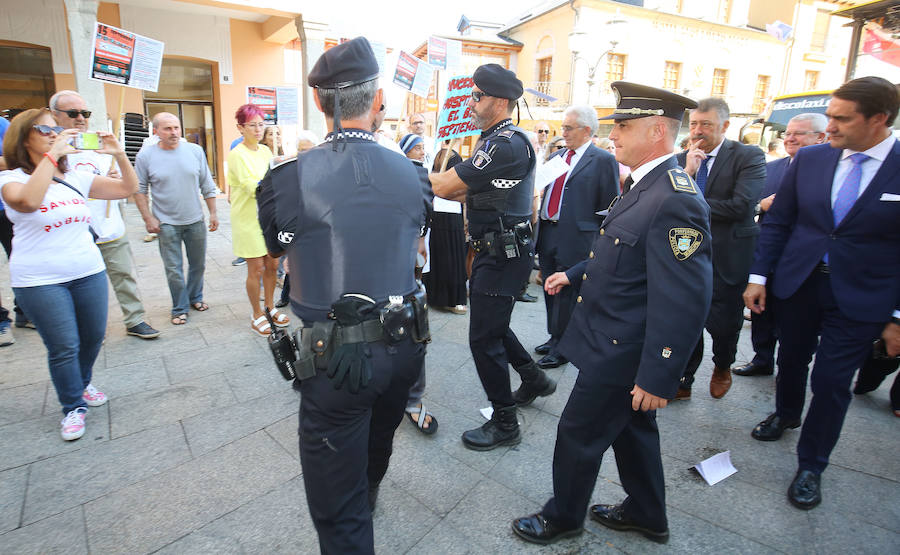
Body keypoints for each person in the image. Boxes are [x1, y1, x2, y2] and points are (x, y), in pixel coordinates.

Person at [511, 82, 712, 546]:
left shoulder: (675, 197)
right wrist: (576, 273)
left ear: (658, 130)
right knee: (632, 430)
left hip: (627, 349)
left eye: (623, 125)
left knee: (579, 433)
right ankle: (647, 513)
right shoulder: (646, 182)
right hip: (614, 335)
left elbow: (684, 297)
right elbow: (623, 250)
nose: (613, 133)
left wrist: (659, 376)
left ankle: (562, 518)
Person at [256, 37, 431, 553]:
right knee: (379, 441)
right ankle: (369, 491)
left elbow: (275, 251)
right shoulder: (414, 172)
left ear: (319, 102)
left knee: (339, 516)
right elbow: (412, 234)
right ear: (378, 100)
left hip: (334, 361)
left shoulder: (287, 179)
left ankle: (358, 504)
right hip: (404, 347)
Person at [743, 76, 900, 510]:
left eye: (840, 119)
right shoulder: (811, 159)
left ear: (879, 119)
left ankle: (811, 464)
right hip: (799, 283)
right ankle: (786, 413)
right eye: (828, 116)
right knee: (791, 359)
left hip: (864, 296)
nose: (829, 127)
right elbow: (779, 222)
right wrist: (759, 277)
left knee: (831, 381)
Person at [429, 63, 555, 450]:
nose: (471, 102)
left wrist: (403, 172)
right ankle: (534, 378)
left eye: (477, 96)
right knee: (493, 327)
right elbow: (469, 193)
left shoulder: (505, 143)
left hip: (503, 254)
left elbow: (448, 186)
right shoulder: (495, 139)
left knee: (483, 339)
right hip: (495, 251)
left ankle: (505, 423)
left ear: (499, 101)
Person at [0, 108, 138, 439]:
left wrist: (119, 155)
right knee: (64, 345)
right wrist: (53, 156)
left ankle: (82, 381)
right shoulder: (10, 178)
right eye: (44, 129)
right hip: (40, 280)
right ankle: (72, 405)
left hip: (87, 270)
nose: (54, 134)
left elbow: (126, 189)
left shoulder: (73, 175)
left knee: (92, 337)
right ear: (23, 137)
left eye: (56, 130)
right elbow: (29, 202)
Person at [49, 90, 160, 340]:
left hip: (108, 227)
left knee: (123, 275)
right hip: (72, 234)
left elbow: (126, 188)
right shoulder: (48, 150)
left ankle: (135, 319)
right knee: (77, 284)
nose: (80, 118)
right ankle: (77, 327)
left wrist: (117, 172)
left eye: (85, 113)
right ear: (55, 115)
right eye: (73, 113)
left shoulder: (97, 146)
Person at [675, 98, 766, 400]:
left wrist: (687, 196)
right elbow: (668, 203)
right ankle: (685, 379)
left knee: (724, 323)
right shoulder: (681, 159)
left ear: (725, 126)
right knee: (687, 320)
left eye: (706, 125)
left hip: (728, 255)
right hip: (687, 253)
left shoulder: (748, 156)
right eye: (695, 124)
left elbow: (741, 206)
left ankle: (723, 365)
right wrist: (688, 173)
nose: (698, 131)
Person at [732, 113, 827, 377]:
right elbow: (750, 204)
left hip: (803, 261)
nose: (791, 138)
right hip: (766, 254)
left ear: (821, 137)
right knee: (761, 310)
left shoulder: (828, 173)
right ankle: (762, 358)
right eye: (788, 133)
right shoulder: (772, 169)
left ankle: (792, 364)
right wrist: (760, 205)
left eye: (800, 133)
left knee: (794, 321)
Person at [534, 105, 619, 371]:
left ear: (586, 130)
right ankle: (554, 336)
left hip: (578, 237)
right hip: (548, 230)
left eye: (569, 128)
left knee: (568, 292)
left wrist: (597, 238)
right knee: (550, 286)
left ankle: (564, 346)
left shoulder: (603, 160)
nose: (564, 132)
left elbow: (609, 204)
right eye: (564, 127)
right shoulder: (558, 156)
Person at [134, 112, 219, 326]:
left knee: (198, 265)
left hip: (195, 221)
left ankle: (195, 297)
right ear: (156, 132)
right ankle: (179, 307)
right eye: (167, 128)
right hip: (166, 223)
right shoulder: (146, 156)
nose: (173, 132)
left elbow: (207, 184)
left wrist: (214, 213)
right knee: (173, 269)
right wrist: (148, 218)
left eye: (176, 127)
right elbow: (139, 189)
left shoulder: (195, 151)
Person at [226, 104, 288, 336]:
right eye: (252, 125)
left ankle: (270, 307)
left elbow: (274, 177)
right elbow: (253, 186)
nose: (258, 129)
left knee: (272, 264)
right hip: (248, 218)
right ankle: (256, 314)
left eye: (261, 124)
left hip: (268, 216)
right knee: (256, 268)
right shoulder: (236, 154)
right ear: (241, 128)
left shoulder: (265, 152)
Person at [425, 142, 467, 315]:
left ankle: (447, 297)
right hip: (442, 215)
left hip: (450, 214)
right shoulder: (442, 157)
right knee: (442, 257)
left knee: (448, 257)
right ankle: (442, 297)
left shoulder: (449, 156)